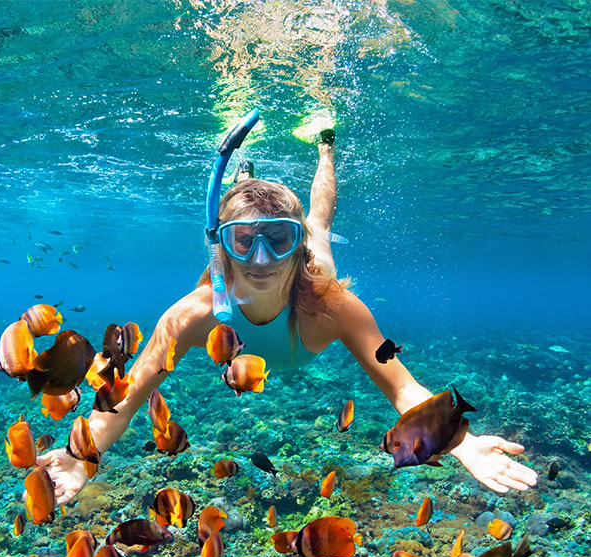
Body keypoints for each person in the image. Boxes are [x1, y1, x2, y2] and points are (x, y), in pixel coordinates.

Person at [36, 118, 537, 504]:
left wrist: (458, 440)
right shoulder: (193, 315)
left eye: (279, 240)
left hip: (313, 270)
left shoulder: (333, 305)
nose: (260, 261)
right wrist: (84, 454)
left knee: (319, 219)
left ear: (297, 250)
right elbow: (125, 397)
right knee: (256, 206)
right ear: (222, 247)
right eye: (243, 241)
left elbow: (403, 387)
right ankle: (245, 175)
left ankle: (324, 143)